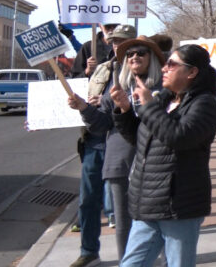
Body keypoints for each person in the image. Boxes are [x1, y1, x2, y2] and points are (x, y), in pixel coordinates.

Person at [111, 44, 216, 267]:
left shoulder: (205, 103)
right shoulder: (163, 100)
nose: (164, 69)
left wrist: (149, 105)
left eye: (172, 64)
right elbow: (141, 139)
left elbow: (178, 137)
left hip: (179, 205)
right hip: (148, 202)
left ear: (191, 72)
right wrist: (124, 111)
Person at [68, 34, 163, 261]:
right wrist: (84, 108)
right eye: (129, 54)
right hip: (120, 163)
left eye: (141, 52)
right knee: (124, 224)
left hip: (157, 164)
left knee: (160, 223)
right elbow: (101, 125)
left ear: (153, 58)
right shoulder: (118, 87)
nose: (134, 57)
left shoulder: (165, 86)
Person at [67, 23, 135, 267]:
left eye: (124, 42)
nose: (118, 46)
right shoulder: (100, 68)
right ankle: (89, 251)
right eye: (115, 41)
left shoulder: (140, 70)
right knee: (88, 199)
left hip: (123, 143)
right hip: (95, 140)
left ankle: (132, 257)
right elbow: (73, 87)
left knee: (126, 207)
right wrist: (86, 84)